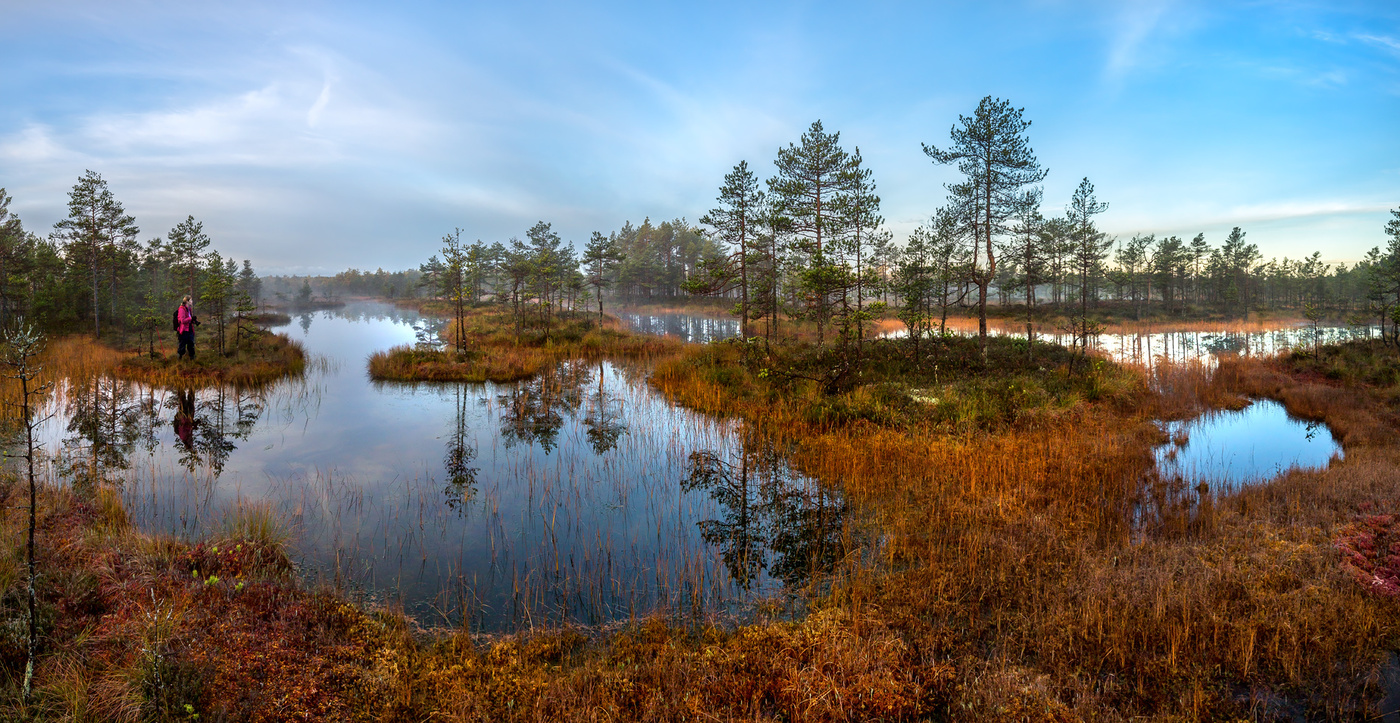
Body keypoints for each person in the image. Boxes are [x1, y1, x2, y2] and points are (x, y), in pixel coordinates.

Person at [176, 295, 200, 360]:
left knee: (191, 344)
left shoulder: (189, 309)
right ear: (187, 301)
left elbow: (189, 319)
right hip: (183, 330)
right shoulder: (181, 309)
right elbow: (182, 321)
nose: (192, 301)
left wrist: (195, 321)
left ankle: (192, 359)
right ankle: (179, 359)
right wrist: (190, 318)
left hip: (189, 328)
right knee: (182, 346)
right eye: (191, 300)